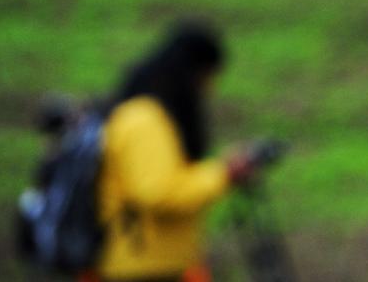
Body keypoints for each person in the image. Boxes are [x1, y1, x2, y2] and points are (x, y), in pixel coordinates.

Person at [93, 23, 254, 282]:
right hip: (140, 269)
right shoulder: (143, 120)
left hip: (160, 266)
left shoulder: (154, 118)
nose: (208, 89)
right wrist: (224, 173)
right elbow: (159, 194)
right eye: (206, 77)